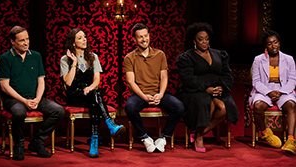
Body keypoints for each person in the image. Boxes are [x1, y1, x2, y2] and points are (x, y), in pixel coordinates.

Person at [0, 26, 65, 160]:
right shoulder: (5, 58)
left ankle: (37, 141)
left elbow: (41, 81)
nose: (26, 43)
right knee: (19, 112)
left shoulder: (36, 56)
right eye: (22, 40)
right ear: (13, 42)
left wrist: (38, 99)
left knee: (59, 111)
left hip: (34, 97)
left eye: (27, 39)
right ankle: (19, 145)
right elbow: (4, 87)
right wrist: (24, 101)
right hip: (14, 99)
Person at [60, 28, 125, 158]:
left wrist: (90, 88)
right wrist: (74, 63)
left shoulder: (93, 57)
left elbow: (97, 80)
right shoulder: (65, 59)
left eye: (84, 37)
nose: (84, 40)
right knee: (96, 97)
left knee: (95, 100)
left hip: (89, 92)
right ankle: (110, 125)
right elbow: (68, 82)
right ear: (73, 43)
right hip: (74, 95)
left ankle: (94, 142)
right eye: (80, 38)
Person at [176, 22, 239, 153]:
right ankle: (199, 137)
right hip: (194, 91)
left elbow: (227, 75)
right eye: (200, 39)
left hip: (216, 90)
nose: (204, 42)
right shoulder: (186, 57)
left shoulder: (220, 55)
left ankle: (200, 133)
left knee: (224, 108)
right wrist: (206, 88)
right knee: (206, 102)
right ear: (194, 41)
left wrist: (222, 87)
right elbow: (188, 79)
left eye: (206, 39)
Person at [124, 23, 184, 153]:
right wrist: (144, 96)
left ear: (149, 36)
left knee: (179, 106)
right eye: (140, 37)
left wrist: (161, 94)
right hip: (140, 95)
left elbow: (164, 77)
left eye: (146, 35)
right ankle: (145, 138)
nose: (144, 39)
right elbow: (130, 82)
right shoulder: (129, 58)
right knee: (129, 106)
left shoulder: (160, 54)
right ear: (134, 39)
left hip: (158, 94)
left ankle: (163, 138)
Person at [249, 30, 296, 154]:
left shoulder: (289, 59)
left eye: (275, 42)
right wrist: (269, 92)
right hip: (264, 90)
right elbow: (256, 81)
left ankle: (291, 140)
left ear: (279, 43)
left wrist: (280, 92)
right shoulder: (258, 60)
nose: (273, 46)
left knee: (291, 105)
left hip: (283, 90)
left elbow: (292, 81)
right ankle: (266, 133)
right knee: (258, 106)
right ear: (266, 46)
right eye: (269, 44)